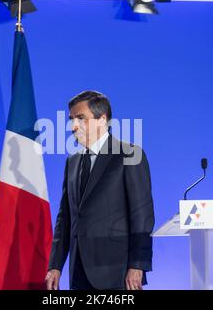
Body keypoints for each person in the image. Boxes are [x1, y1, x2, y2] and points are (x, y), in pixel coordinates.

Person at [45, 90, 155, 290]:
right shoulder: (72, 161)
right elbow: (65, 219)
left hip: (117, 273)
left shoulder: (130, 155)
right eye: (71, 119)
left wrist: (137, 266)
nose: (73, 126)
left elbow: (142, 216)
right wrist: (55, 265)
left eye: (81, 118)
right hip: (78, 272)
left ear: (102, 119)